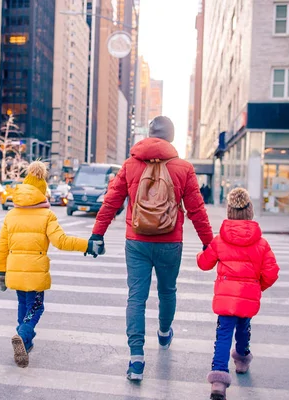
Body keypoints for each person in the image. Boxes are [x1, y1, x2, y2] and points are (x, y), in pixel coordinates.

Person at [90, 116, 214, 381]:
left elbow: (112, 202)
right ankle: (164, 332)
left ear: (149, 135)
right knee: (167, 290)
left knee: (136, 297)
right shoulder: (184, 168)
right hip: (171, 242)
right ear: (171, 137)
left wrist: (97, 234)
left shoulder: (130, 164)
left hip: (136, 241)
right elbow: (196, 210)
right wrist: (208, 242)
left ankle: (136, 358)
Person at [0, 161, 105, 368]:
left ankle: (25, 343)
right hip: (36, 272)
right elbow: (61, 241)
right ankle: (23, 333)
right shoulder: (46, 215)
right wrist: (88, 246)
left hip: (15, 272)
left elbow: (1, 247)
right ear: (42, 192)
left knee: (23, 304)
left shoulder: (11, 215)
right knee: (36, 307)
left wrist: (1, 272)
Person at [197, 188, 279, 400]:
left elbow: (204, 263)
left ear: (229, 212)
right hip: (248, 296)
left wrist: (201, 252)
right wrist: (257, 286)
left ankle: (218, 382)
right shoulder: (261, 243)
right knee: (243, 327)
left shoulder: (219, 240)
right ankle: (242, 359)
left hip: (225, 298)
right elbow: (271, 272)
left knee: (223, 334)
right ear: (250, 211)